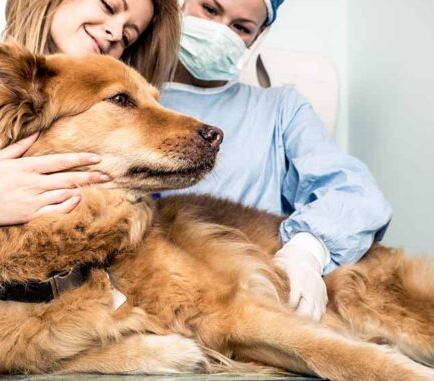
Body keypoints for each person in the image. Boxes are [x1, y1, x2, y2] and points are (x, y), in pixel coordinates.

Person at [0, 0, 181, 367]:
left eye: (129, 34)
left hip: (93, 340)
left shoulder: (129, 143)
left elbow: (139, 258)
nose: (115, 32)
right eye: (109, 5)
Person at [160, 0, 392, 322]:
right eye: (210, 9)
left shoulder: (280, 109)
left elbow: (357, 194)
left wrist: (308, 250)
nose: (219, 31)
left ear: (258, 36)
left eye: (241, 27)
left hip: (251, 294)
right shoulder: (135, 97)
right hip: (154, 290)